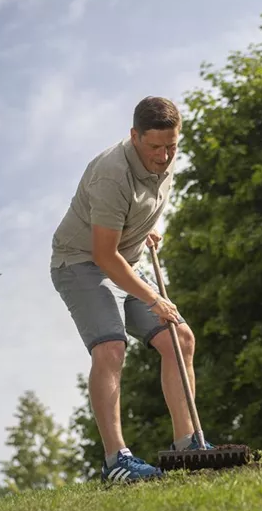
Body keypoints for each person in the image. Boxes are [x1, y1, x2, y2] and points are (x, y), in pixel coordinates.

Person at [49, 96, 213, 483]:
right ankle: (115, 460)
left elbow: (135, 213)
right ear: (134, 136)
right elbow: (104, 256)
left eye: (172, 145)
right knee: (110, 348)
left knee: (181, 340)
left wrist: (145, 229)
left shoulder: (166, 160)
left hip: (128, 259)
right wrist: (153, 298)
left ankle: (187, 445)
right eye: (154, 147)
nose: (163, 155)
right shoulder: (112, 173)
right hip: (82, 262)